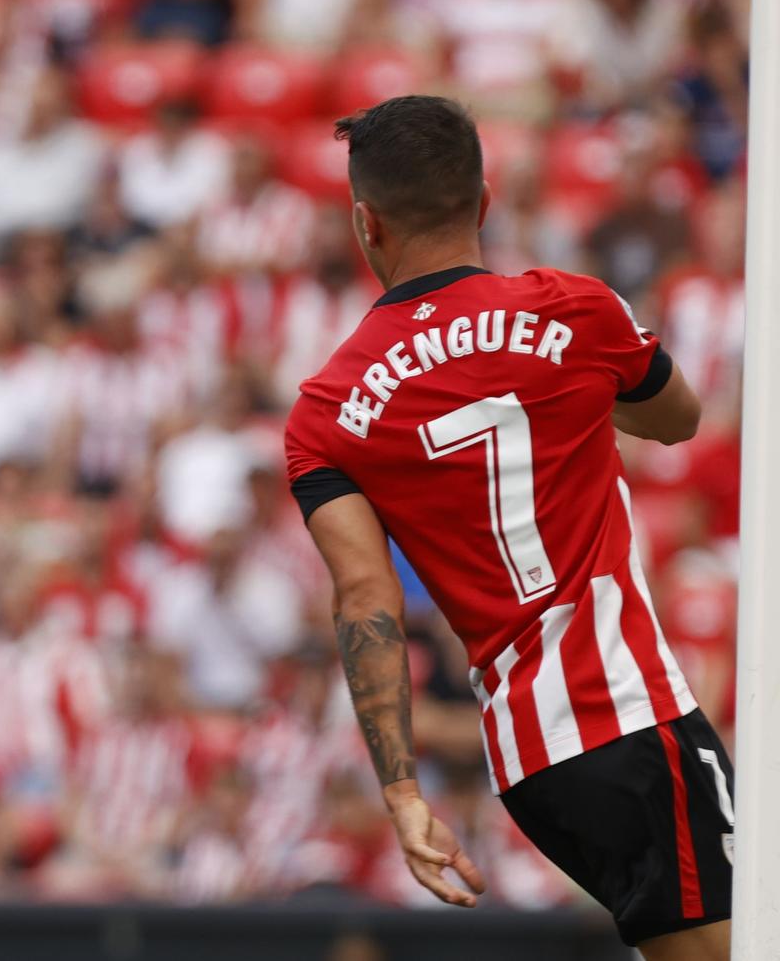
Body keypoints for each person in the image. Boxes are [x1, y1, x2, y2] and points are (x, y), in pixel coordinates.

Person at [284, 96, 726, 958]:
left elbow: (365, 601)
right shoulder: (577, 310)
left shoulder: (326, 408)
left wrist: (404, 793)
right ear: (485, 201)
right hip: (625, 711)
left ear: (365, 223)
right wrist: (574, 389)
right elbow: (679, 418)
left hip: (531, 762)